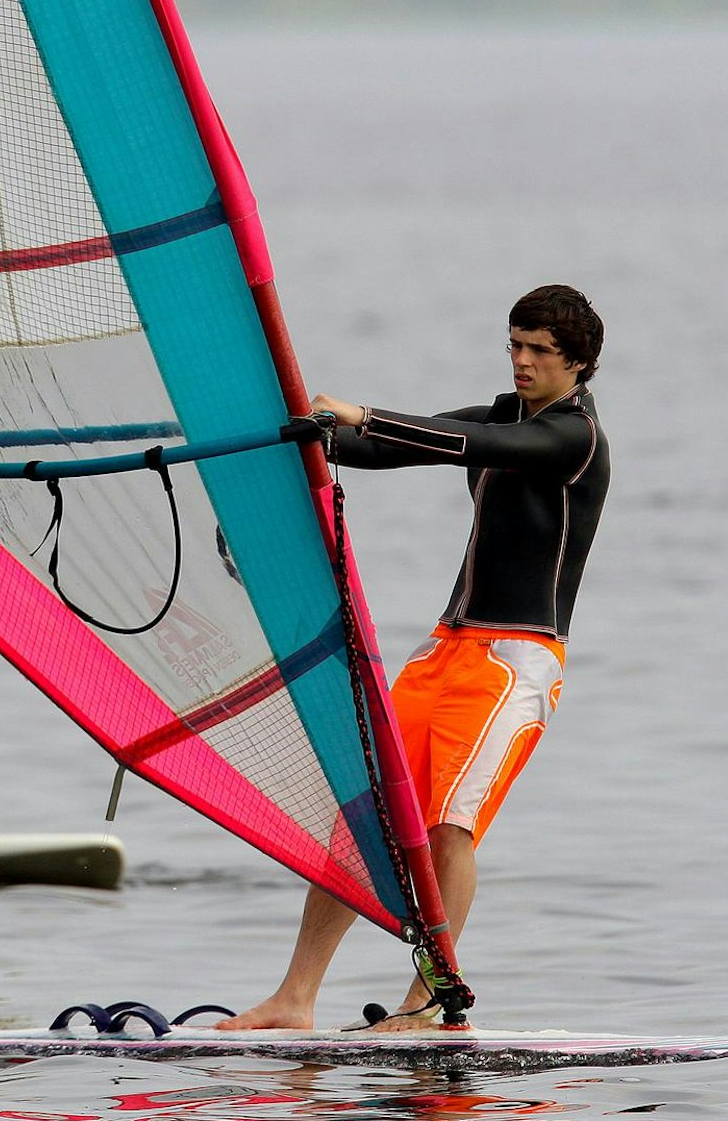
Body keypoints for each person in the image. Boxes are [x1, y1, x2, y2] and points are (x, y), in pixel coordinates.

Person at [217, 284, 610, 1031]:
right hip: (443, 648)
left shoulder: (574, 438)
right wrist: (313, 435)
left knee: (447, 829)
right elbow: (396, 446)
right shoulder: (507, 411)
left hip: (513, 660)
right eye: (514, 345)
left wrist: (366, 410)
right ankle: (295, 997)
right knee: (363, 816)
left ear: (579, 363)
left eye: (538, 352)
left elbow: (467, 445)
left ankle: (428, 1000)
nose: (521, 361)